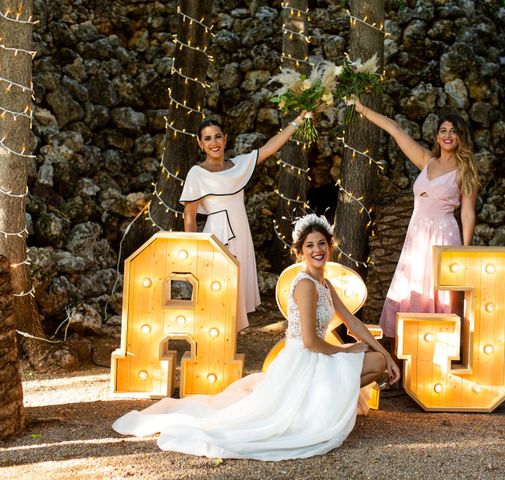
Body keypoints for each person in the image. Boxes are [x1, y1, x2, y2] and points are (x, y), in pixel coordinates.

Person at [112, 213, 400, 461]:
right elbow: (311, 342)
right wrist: (348, 351)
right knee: (370, 363)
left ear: (330, 247)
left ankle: (317, 404)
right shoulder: (306, 286)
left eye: (321, 244)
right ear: (299, 252)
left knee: (378, 361)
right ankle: (312, 410)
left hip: (317, 357)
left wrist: (385, 353)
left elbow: (352, 322)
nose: (317, 250)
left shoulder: (324, 283)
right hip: (305, 358)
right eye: (310, 245)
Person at [354, 100, 479, 339]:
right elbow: (395, 130)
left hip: (443, 237)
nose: (448, 135)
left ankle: (440, 345)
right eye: (443, 130)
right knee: (413, 287)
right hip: (417, 237)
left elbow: (467, 212)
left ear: (461, 137)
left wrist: (465, 251)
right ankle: (410, 348)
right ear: (436, 137)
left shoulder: (465, 170)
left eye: (453, 131)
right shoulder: (426, 160)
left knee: (439, 292)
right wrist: (362, 109)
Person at [180, 113, 307, 331]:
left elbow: (269, 148)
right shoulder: (197, 173)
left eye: (217, 136)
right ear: (200, 143)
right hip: (217, 237)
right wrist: (194, 250)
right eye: (208, 138)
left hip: (241, 233)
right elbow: (189, 216)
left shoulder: (238, 165)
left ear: (225, 139)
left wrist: (298, 121)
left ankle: (227, 344)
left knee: (235, 288)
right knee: (216, 288)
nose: (214, 143)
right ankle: (210, 340)